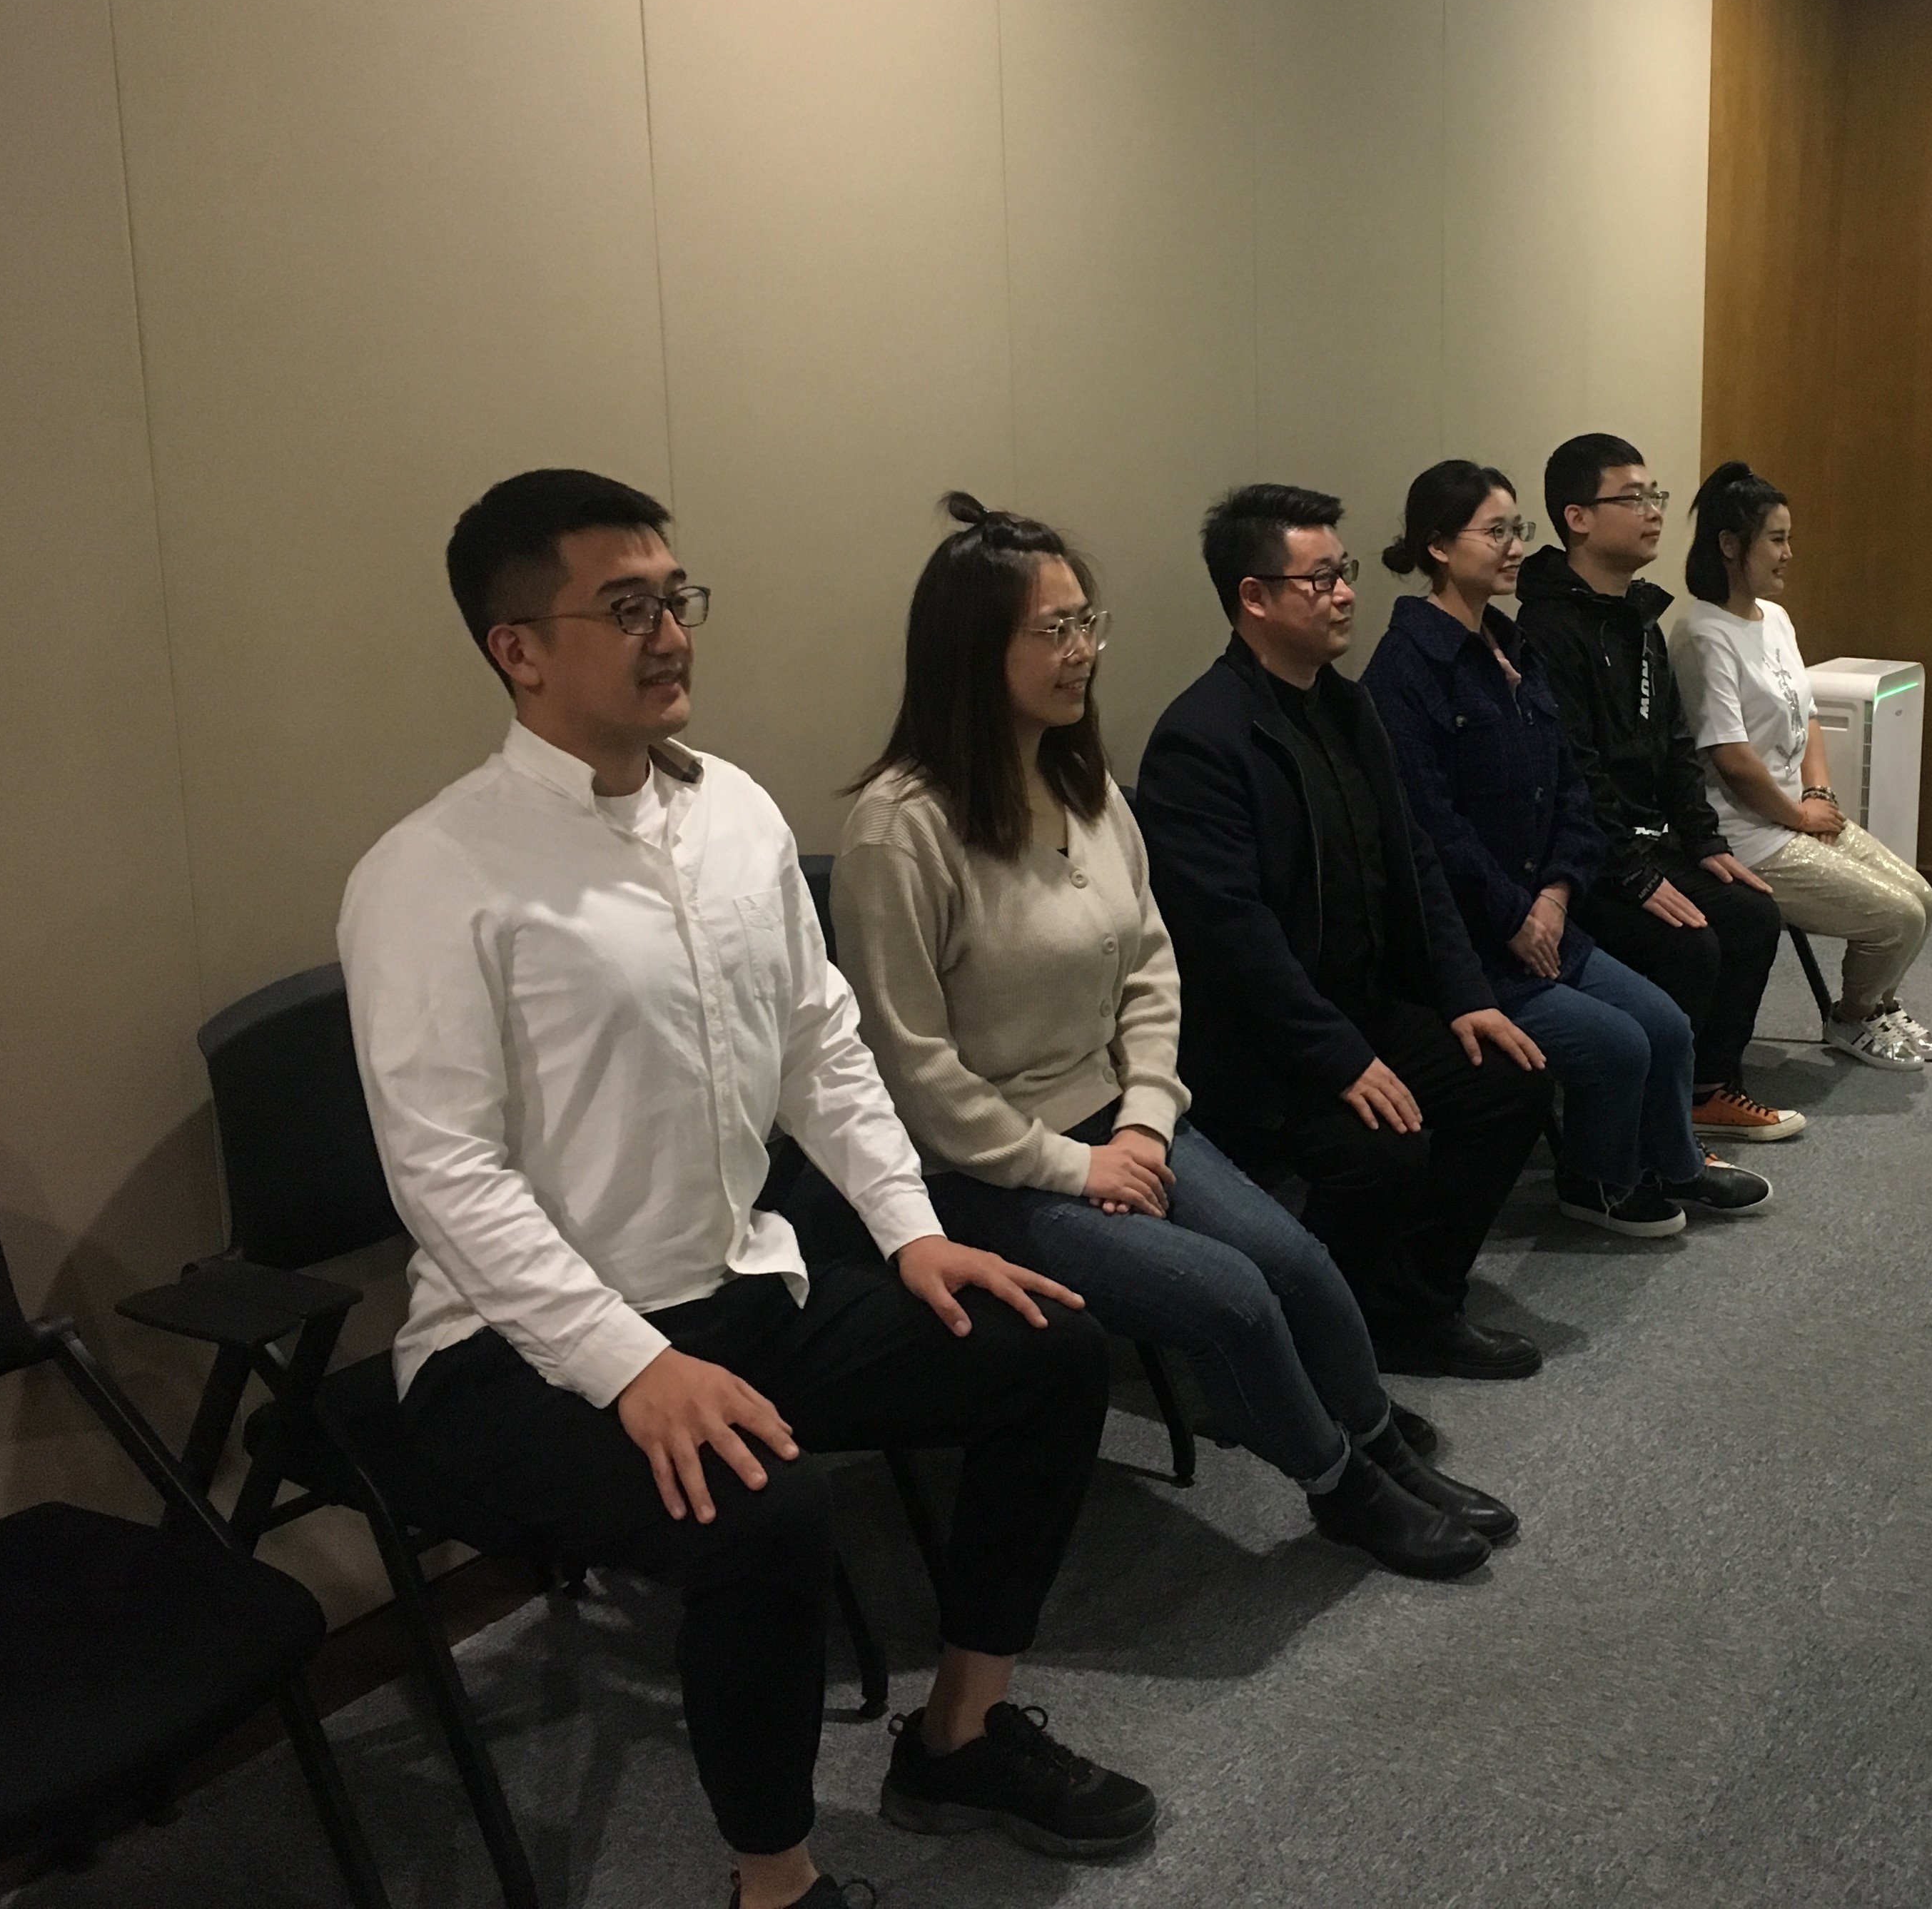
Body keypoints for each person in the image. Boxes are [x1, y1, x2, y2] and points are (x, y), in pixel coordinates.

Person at [341, 471, 1154, 1909]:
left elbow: (818, 1042)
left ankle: (958, 1736)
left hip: (735, 1285)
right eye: (624, 607)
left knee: (1049, 1349)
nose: (669, 634)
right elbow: (446, 1173)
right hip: (518, 1351)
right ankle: (774, 1882)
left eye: (676, 599)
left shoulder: (733, 812)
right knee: (762, 1519)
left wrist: (910, 1231)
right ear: (516, 647)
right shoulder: (431, 871)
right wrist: (630, 1363)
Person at [831, 495, 1514, 1581]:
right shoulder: (900, 831)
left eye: (1086, 624)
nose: (1082, 652)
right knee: (1229, 1297)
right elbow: (911, 1073)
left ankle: (1382, 1446)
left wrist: (1145, 1119)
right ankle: (1341, 1488)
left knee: (1298, 1263)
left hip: (1123, 1119)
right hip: (988, 1167)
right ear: (971, 649)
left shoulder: (1082, 785)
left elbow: (1152, 969)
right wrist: (1077, 1166)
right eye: (1052, 630)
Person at [1136, 485, 1556, 1382]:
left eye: (1344, 572)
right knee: (1382, 1153)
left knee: (1507, 1081)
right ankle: (1314, 1357)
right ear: (1254, 597)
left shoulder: (1347, 707)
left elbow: (1415, 864)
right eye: (1320, 578)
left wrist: (1467, 997)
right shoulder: (1200, 739)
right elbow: (1233, 941)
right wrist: (1341, 1058)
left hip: (1359, 1007)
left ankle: (1410, 1309)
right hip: (1261, 1044)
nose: (1345, 594)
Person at [1362, 461, 1774, 1240]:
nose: (1516, 546)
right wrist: (1518, 915)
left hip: (1546, 915)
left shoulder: (1511, 646)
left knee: (1667, 1025)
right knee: (1617, 1044)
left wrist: (1555, 895)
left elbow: (1570, 792)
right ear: (1439, 547)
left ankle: (1674, 1162)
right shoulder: (1406, 670)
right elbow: (1431, 830)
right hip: (1477, 942)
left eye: (1517, 529)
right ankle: (1599, 1182)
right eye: (1495, 531)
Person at [1515, 433, 1804, 1143]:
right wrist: (1636, 875)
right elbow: (1576, 772)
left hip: (1650, 842)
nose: (1653, 512)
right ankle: (1654, 1126)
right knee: (1690, 943)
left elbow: (1675, 746)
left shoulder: (1640, 616)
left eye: (1656, 497)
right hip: (1588, 858)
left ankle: (1707, 1091)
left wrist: (1705, 842)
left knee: (1751, 913)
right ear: (1579, 518)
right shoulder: (1550, 626)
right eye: (1634, 498)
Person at [1670, 462, 1932, 1073]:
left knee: (1922, 899)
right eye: (1776, 539)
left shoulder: (1775, 619)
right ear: (1729, 546)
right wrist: (1797, 816)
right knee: (1896, 917)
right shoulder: (1701, 633)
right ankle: (1852, 1017)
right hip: (1749, 835)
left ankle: (1878, 1006)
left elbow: (1809, 716)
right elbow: (1731, 759)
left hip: (1797, 813)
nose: (1789, 553)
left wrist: (1818, 794)